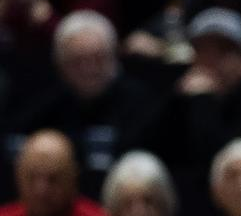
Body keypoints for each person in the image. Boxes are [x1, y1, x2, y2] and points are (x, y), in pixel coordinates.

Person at [6, 12, 157, 182]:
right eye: (78, 61)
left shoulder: (138, 100)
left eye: (97, 58)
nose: (89, 69)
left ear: (114, 57)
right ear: (60, 64)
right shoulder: (46, 102)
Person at [145, 9, 241, 182]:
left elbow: (217, 162)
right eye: (203, 50)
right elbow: (142, 148)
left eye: (223, 51)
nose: (210, 60)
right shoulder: (178, 99)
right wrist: (175, 100)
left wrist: (203, 100)